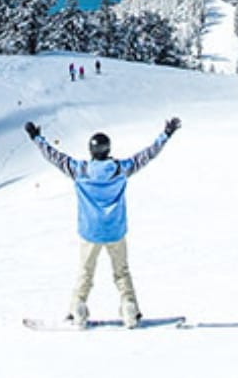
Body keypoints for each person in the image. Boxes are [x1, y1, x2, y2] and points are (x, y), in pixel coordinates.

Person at [24, 116, 181, 328]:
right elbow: (147, 155)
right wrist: (166, 134)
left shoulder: (80, 170)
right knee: (121, 272)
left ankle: (77, 309)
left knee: (85, 272)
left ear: (91, 151)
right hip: (115, 230)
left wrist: (36, 137)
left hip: (90, 232)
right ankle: (129, 308)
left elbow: (54, 156)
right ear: (108, 150)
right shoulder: (120, 169)